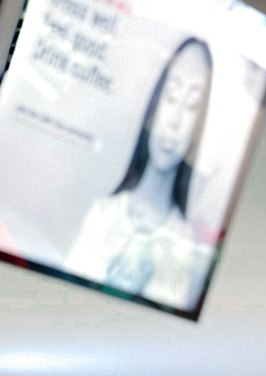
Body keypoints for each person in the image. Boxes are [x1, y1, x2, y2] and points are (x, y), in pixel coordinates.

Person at [65, 37, 214, 310]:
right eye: (171, 97)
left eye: (191, 105)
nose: (175, 120)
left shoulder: (185, 250)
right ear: (154, 106)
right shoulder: (102, 215)